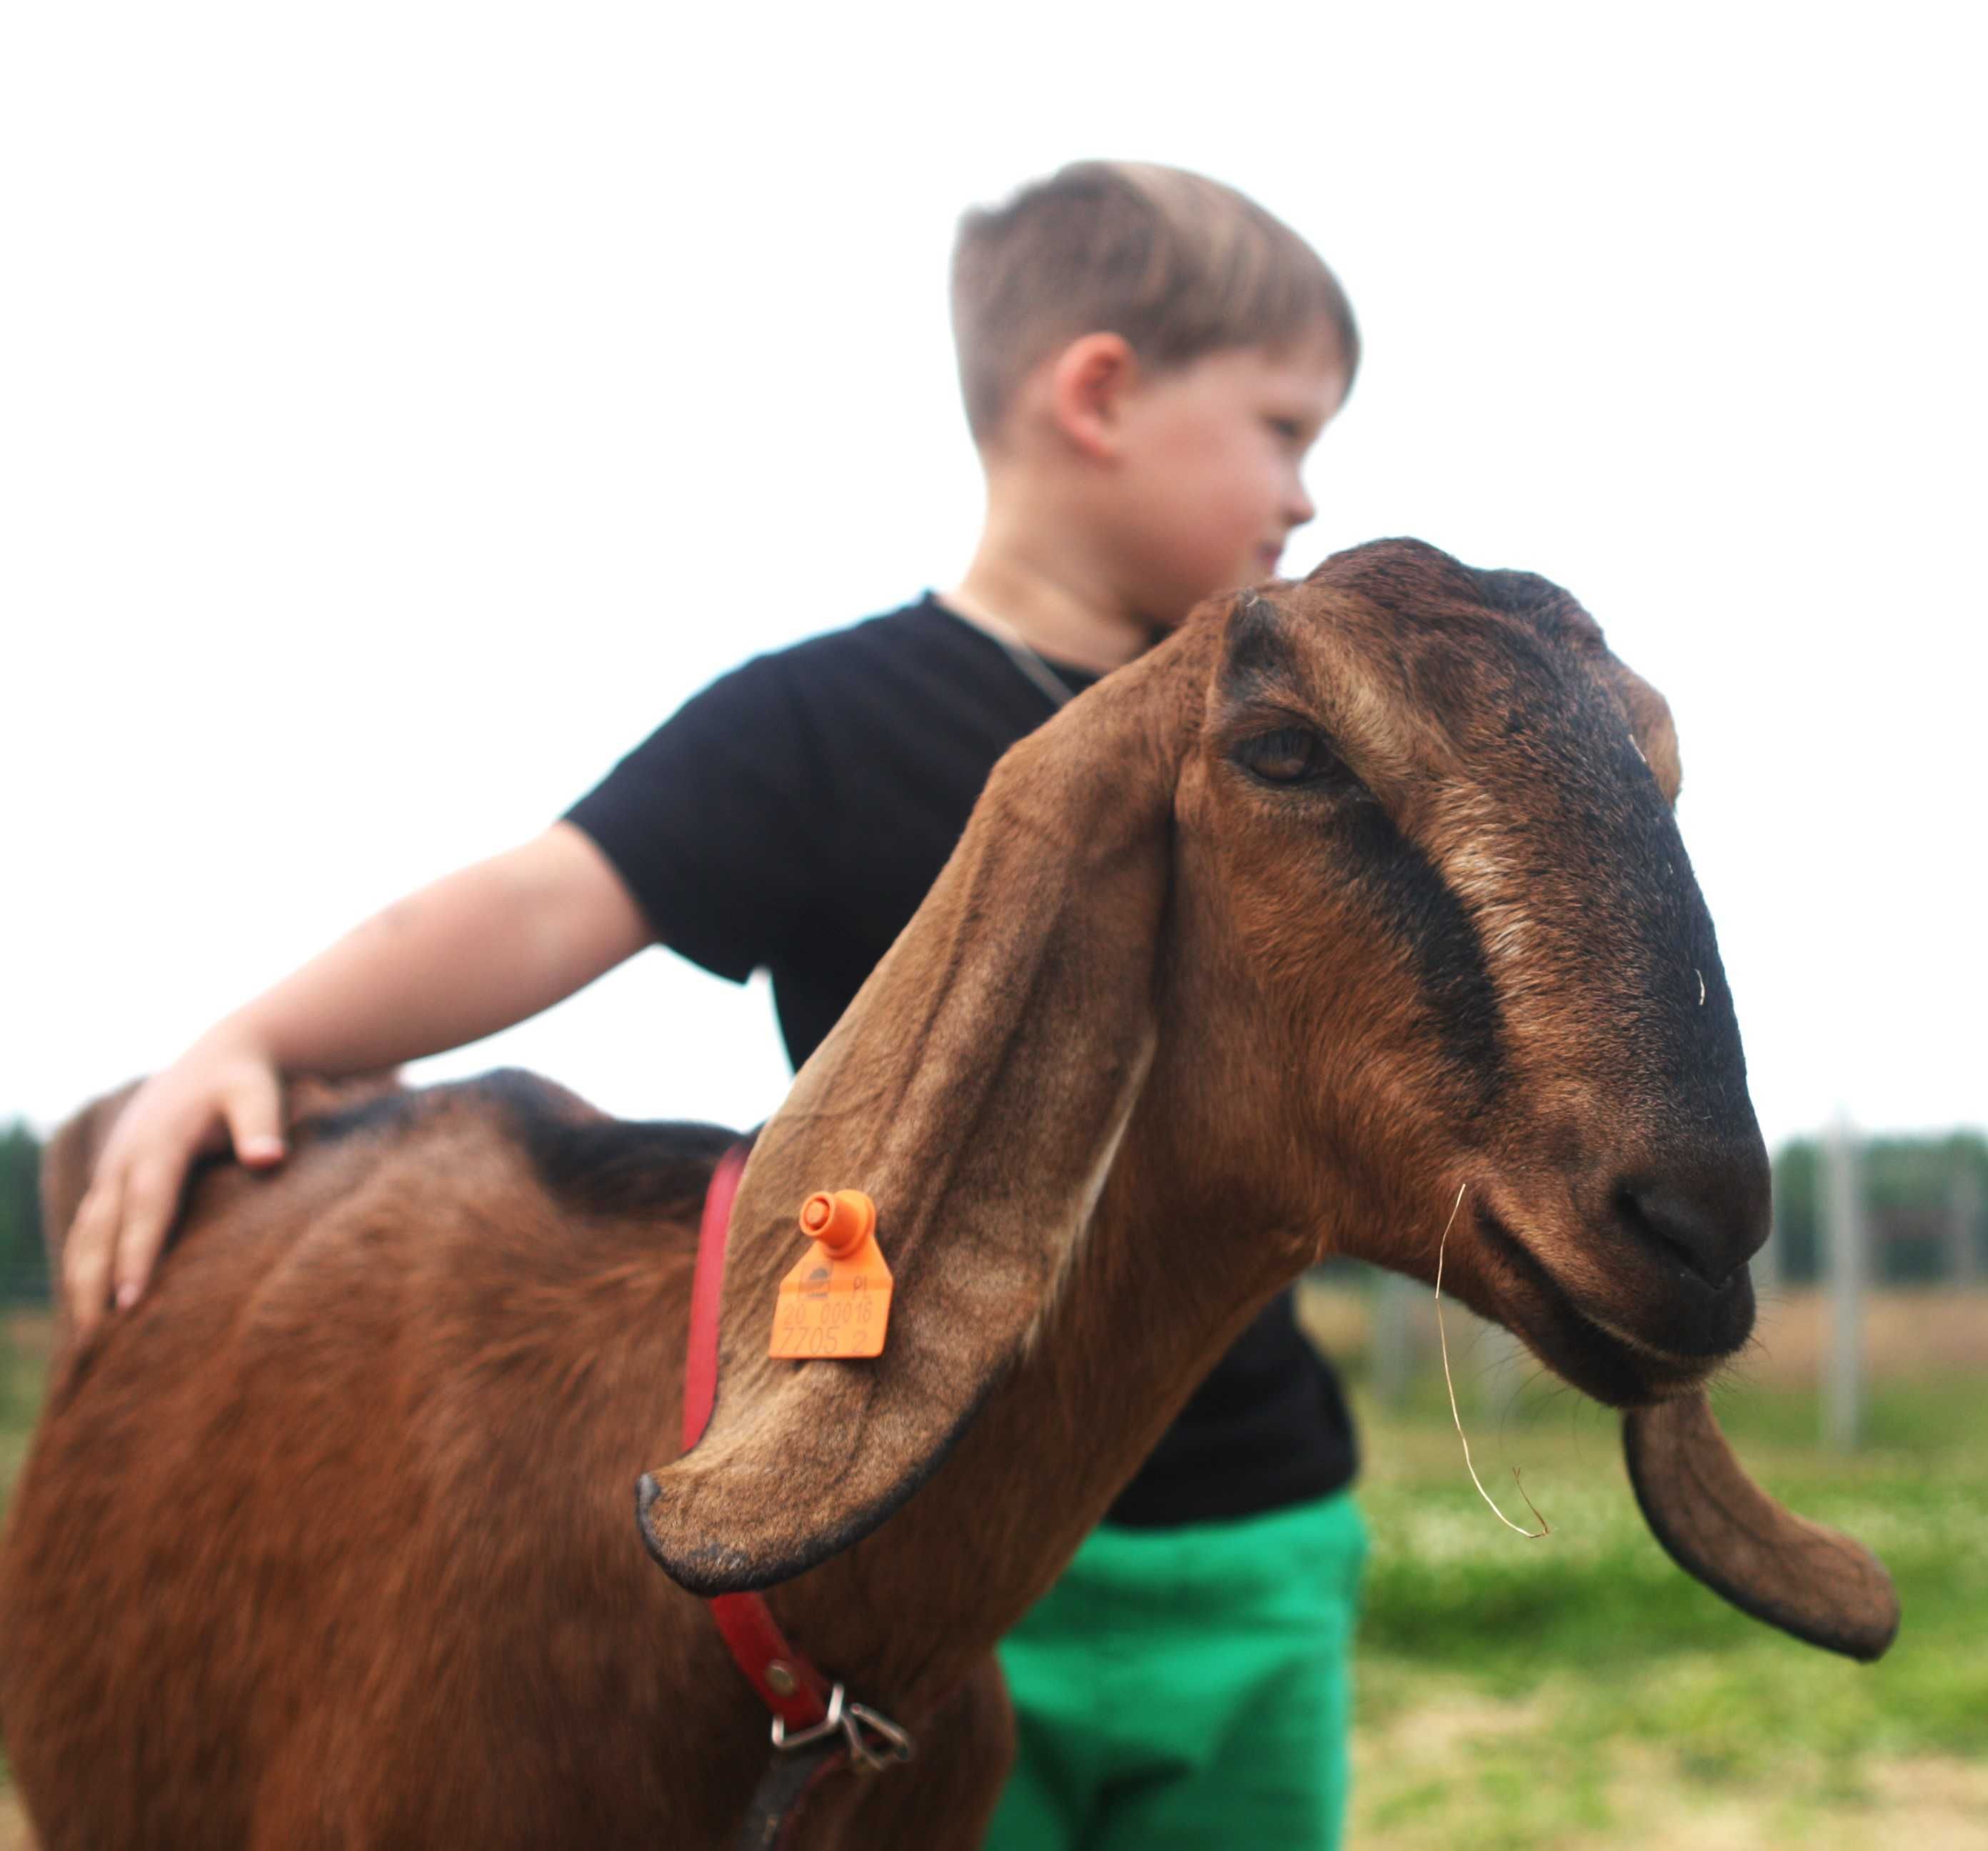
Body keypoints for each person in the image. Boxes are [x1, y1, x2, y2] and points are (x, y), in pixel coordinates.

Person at [61, 159, 1369, 1850]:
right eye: (1283, 429)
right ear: (1100, 394)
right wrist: (253, 1039)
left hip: (1265, 1531)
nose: (1308, 497)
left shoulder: (1269, 769)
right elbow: (547, 893)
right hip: (928, 1556)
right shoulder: (817, 728)